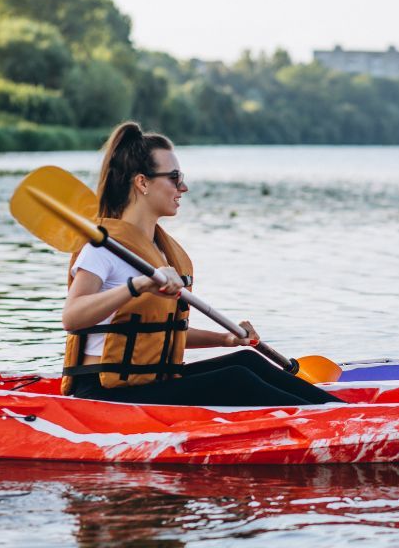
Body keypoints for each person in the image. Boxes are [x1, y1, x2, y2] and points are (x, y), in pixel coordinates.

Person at [61, 122, 342, 406]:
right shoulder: (103, 248)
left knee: (246, 360)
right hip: (105, 395)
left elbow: (161, 336)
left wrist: (226, 339)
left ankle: (341, 412)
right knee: (235, 379)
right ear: (142, 182)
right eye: (174, 177)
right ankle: (335, 423)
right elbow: (72, 317)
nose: (183, 186)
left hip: (151, 384)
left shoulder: (160, 251)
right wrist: (137, 286)